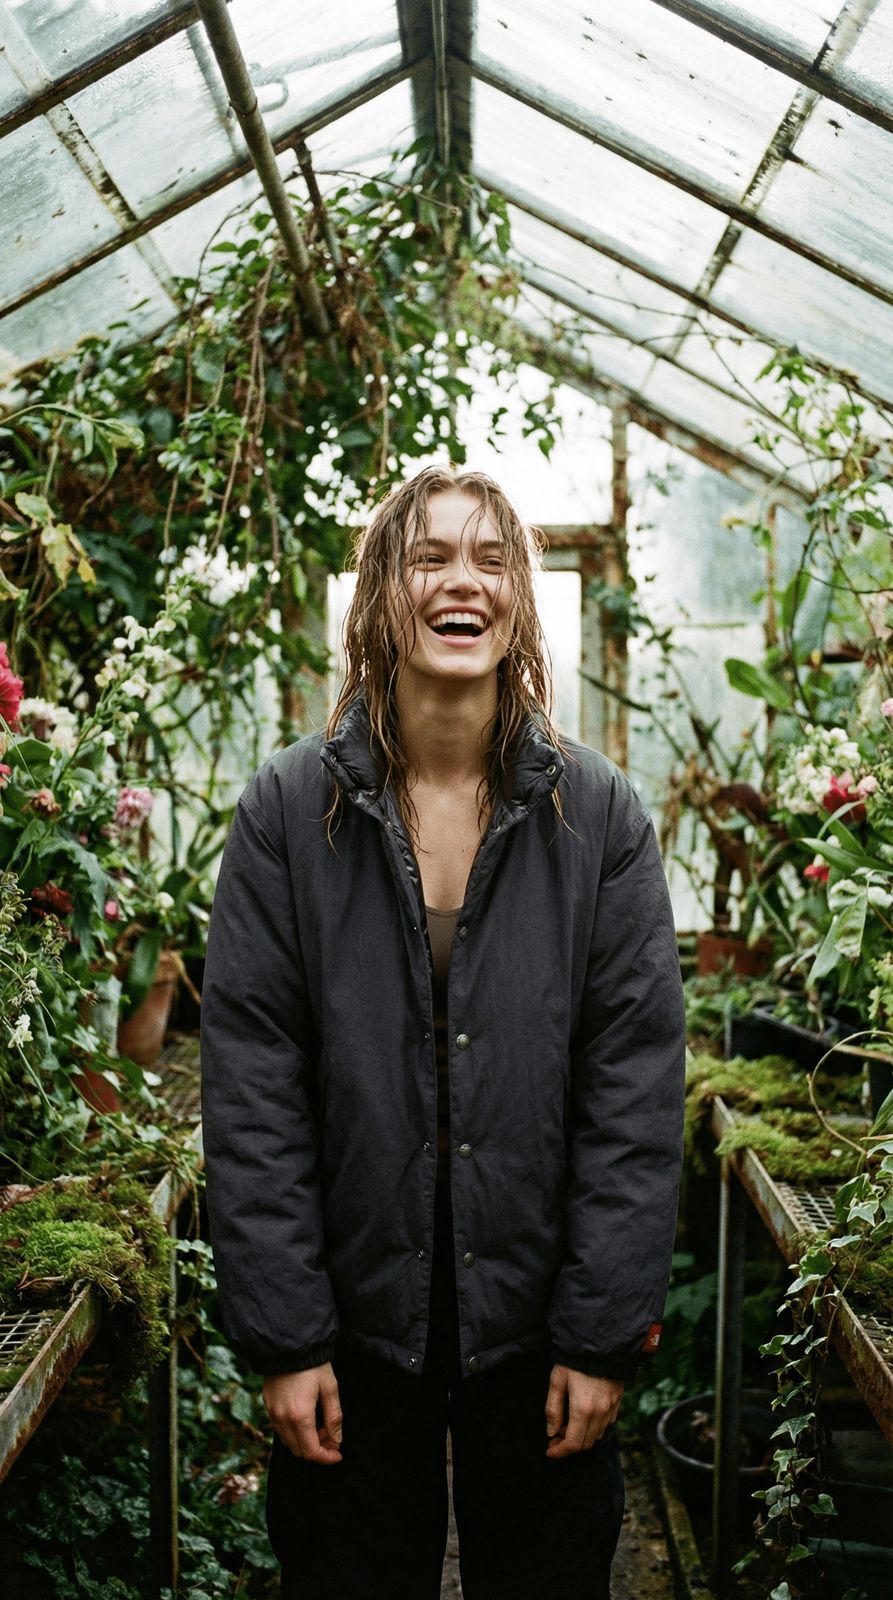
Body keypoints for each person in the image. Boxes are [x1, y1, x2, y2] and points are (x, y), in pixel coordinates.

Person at [200, 464, 686, 1600]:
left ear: (518, 596)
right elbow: (253, 1078)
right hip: (355, 1323)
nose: (458, 582)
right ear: (380, 593)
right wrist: (287, 1334)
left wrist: (598, 1334)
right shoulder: (286, 813)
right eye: (428, 557)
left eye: (488, 557)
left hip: (538, 1319)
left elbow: (631, 1082)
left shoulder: (599, 817)